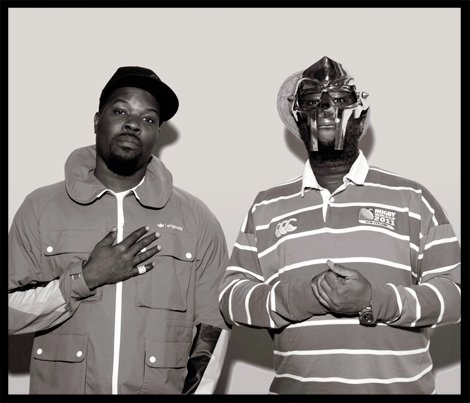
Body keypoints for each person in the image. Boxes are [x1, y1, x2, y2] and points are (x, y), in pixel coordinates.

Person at [218, 56, 461, 394]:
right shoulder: (266, 206)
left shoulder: (412, 198)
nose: (326, 109)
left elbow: (455, 294)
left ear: (360, 114)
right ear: (298, 119)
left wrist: (374, 300)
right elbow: (230, 297)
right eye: (312, 102)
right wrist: (300, 298)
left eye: (340, 99)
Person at [9, 66, 229, 394]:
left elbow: (212, 331)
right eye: (120, 111)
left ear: (157, 134)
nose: (133, 123)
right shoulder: (41, 208)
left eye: (148, 118)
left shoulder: (197, 220)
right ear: (97, 120)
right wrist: (85, 279)